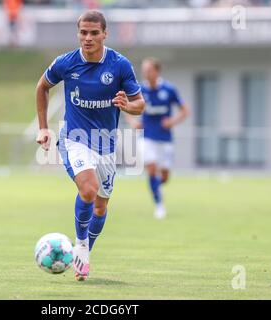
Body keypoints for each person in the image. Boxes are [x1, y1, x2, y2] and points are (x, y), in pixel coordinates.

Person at [35, 10, 145, 281]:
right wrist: (43, 128)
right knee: (88, 189)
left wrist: (126, 106)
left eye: (94, 33)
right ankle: (80, 243)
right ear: (78, 34)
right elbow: (42, 87)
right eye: (83, 32)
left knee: (100, 207)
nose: (88, 38)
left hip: (106, 145)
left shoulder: (119, 65)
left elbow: (140, 103)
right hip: (75, 140)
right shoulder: (66, 63)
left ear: (104, 34)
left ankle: (84, 252)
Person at [127, 58, 189, 219]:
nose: (145, 73)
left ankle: (155, 186)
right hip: (147, 137)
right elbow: (126, 106)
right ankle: (159, 205)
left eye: (149, 70)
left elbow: (184, 110)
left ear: (157, 71)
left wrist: (172, 121)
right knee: (152, 169)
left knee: (164, 176)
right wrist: (133, 122)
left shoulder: (169, 89)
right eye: (144, 70)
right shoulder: (140, 90)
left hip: (165, 138)